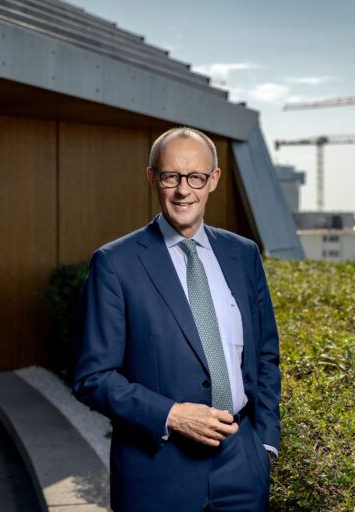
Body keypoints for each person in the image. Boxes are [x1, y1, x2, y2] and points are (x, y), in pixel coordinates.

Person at [73, 126, 281, 511]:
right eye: (171, 176)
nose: (184, 190)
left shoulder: (243, 254)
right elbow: (93, 378)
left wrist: (265, 446)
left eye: (196, 177)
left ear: (213, 180)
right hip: (157, 470)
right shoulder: (115, 264)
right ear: (152, 178)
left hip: (242, 464)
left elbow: (266, 356)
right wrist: (172, 415)